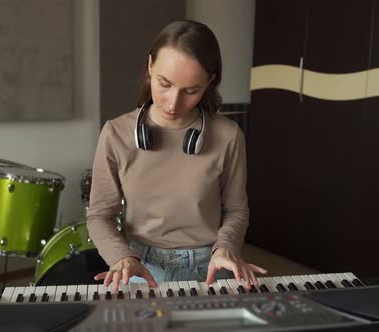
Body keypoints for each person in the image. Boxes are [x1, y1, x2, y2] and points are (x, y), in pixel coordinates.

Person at [86, 20, 266, 292]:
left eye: (191, 91)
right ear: (150, 67)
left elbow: (236, 209)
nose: (173, 103)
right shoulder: (115, 134)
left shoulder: (229, 136)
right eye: (164, 84)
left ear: (210, 83)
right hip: (140, 267)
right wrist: (121, 256)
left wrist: (227, 247)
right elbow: (100, 215)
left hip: (211, 266)